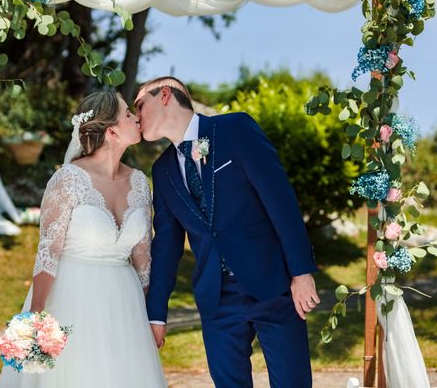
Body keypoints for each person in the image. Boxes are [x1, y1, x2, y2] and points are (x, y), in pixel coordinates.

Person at [135, 76, 319, 388]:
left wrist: (301, 272)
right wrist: (157, 315)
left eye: (139, 105)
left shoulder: (235, 130)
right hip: (216, 299)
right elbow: (166, 247)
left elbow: (280, 200)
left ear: (164, 95)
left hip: (272, 284)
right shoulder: (162, 170)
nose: (136, 116)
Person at [0, 91, 167, 388]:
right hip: (72, 298)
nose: (136, 117)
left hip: (125, 306)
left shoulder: (140, 182)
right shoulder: (68, 179)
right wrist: (35, 319)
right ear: (111, 130)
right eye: (128, 113)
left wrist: (151, 316)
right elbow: (48, 254)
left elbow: (143, 259)